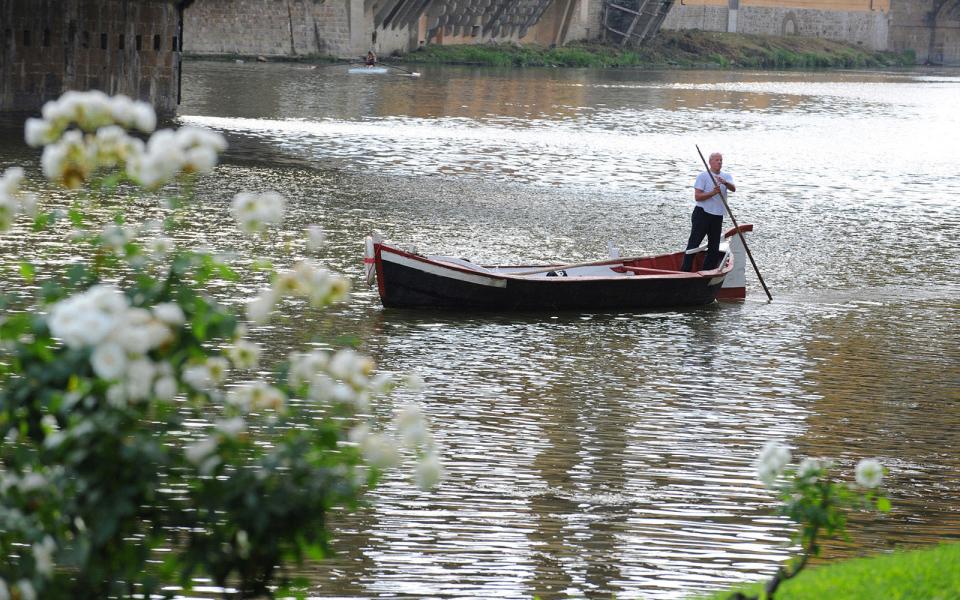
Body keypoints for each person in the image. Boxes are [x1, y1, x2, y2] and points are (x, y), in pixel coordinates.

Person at [680, 151, 736, 272]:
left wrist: (725, 183)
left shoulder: (726, 176)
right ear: (710, 162)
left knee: (714, 247)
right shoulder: (703, 176)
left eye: (721, 160)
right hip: (702, 213)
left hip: (717, 215)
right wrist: (712, 193)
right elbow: (698, 197)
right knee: (694, 243)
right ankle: (685, 271)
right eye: (717, 160)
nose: (719, 162)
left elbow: (733, 189)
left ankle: (707, 271)